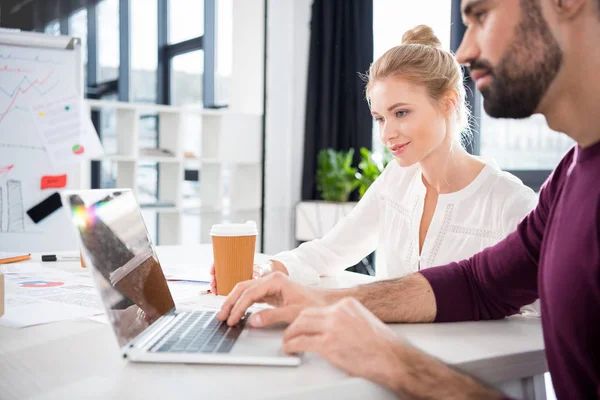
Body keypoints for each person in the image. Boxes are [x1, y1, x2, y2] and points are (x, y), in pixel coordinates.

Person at [217, 0, 600, 398]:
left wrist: (397, 362)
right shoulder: (567, 180)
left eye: (481, 15)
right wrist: (312, 294)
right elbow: (474, 285)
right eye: (380, 118)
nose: (465, 52)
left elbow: (524, 331)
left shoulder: (514, 201)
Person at [212, 26, 538, 317]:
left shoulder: (510, 203)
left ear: (449, 103)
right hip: (390, 361)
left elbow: (545, 314)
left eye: (401, 113)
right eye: (380, 118)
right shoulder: (395, 181)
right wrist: (264, 269)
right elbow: (331, 250)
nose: (386, 134)